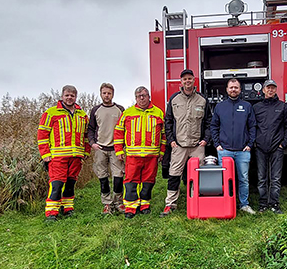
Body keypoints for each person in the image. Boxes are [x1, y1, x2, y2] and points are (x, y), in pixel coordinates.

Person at [162, 69, 212, 217]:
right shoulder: (174, 99)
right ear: (181, 82)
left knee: (199, 175)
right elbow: (168, 122)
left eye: (190, 79)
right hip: (179, 145)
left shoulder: (202, 99)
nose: (187, 81)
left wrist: (206, 140)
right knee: (174, 174)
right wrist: (171, 141)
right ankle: (170, 204)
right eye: (185, 79)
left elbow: (209, 121)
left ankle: (197, 201)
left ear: (194, 80)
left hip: (197, 146)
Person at [37, 85, 90, 221]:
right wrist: (45, 154)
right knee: (57, 184)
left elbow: (86, 136)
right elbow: (42, 135)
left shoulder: (82, 115)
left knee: (71, 183)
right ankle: (51, 213)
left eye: (72, 95)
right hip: (57, 157)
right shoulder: (51, 113)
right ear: (62, 96)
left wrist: (86, 152)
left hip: (76, 156)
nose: (69, 97)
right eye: (67, 95)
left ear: (76, 97)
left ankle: (67, 208)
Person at [114, 86, 166, 218]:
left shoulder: (158, 113)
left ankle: (144, 205)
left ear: (149, 97)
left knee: (149, 181)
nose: (141, 98)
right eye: (138, 96)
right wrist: (119, 150)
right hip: (132, 155)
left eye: (144, 95)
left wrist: (162, 152)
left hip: (152, 156)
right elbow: (119, 132)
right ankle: (131, 208)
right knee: (131, 181)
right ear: (135, 98)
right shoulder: (128, 113)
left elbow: (164, 135)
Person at [211, 78, 256, 214]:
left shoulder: (247, 106)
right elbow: (214, 126)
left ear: (240, 90)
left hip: (243, 151)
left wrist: (249, 144)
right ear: (227, 89)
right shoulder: (220, 107)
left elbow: (252, 126)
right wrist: (217, 144)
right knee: (224, 180)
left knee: (243, 179)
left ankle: (244, 204)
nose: (233, 90)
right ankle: (225, 204)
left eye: (236, 87)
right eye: (231, 87)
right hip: (225, 151)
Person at [87, 83, 126, 215]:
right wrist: (92, 143)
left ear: (113, 94)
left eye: (109, 93)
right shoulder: (95, 110)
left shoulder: (120, 109)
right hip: (100, 149)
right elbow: (90, 129)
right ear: (101, 94)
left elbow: (125, 129)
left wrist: (122, 147)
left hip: (116, 149)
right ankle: (107, 204)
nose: (107, 95)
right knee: (103, 177)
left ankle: (118, 203)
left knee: (118, 177)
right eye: (104, 93)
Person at [253, 79, 287, 214]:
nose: (270, 90)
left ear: (276, 90)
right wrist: (255, 143)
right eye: (268, 88)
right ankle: (263, 204)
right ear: (263, 90)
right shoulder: (256, 107)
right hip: (260, 148)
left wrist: (283, 144)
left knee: (275, 178)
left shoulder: (283, 107)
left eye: (273, 88)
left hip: (277, 148)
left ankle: (274, 204)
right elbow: (252, 126)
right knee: (261, 178)